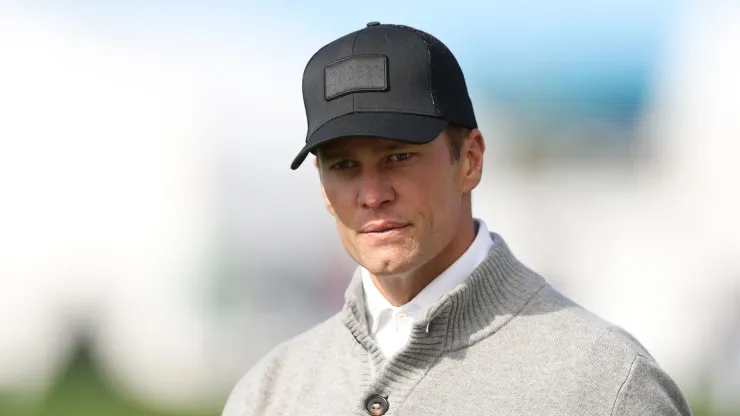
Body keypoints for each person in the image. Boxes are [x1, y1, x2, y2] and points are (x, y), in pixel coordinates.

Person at [222, 22, 691, 416]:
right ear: (324, 188)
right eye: (344, 166)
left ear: (469, 160)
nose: (372, 194)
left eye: (398, 156)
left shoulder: (608, 387)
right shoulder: (266, 396)